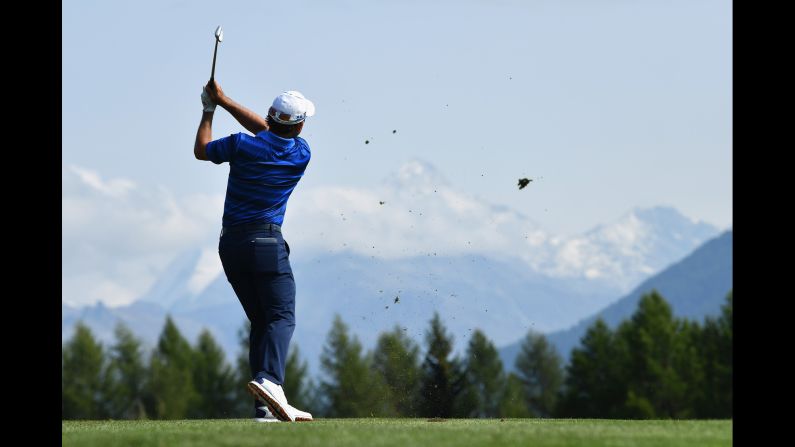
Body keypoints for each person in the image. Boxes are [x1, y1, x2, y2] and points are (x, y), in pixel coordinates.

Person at [194, 79, 315, 422]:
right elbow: (273, 131)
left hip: (230, 245)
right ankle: (270, 382)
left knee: (261, 320)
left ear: (270, 117)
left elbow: (202, 149)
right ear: (300, 125)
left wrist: (210, 108)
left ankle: (265, 408)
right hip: (265, 243)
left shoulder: (240, 145)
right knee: (281, 316)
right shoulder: (300, 153)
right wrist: (225, 101)